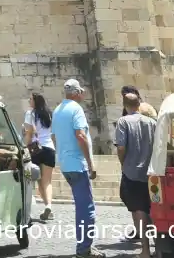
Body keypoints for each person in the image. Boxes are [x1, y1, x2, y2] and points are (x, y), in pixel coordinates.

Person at [52, 79, 100, 258]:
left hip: (65, 164)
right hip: (78, 165)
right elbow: (80, 135)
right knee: (86, 209)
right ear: (77, 92)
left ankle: (83, 246)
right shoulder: (76, 109)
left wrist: (62, 156)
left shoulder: (57, 111)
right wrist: (90, 163)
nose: (83, 95)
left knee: (81, 207)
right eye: (82, 91)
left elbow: (54, 137)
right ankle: (84, 249)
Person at [115, 92, 156, 258]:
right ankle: (158, 247)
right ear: (139, 104)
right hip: (151, 172)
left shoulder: (123, 122)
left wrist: (123, 163)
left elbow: (121, 148)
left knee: (139, 210)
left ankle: (145, 250)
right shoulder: (152, 123)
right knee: (153, 209)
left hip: (132, 172)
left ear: (125, 105)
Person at [23, 92, 55, 221]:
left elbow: (28, 133)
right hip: (49, 148)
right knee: (47, 182)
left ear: (35, 101)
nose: (29, 101)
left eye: (30, 99)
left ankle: (29, 211)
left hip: (36, 149)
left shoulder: (30, 114)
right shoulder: (48, 114)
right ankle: (48, 206)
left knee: (35, 180)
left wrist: (25, 147)